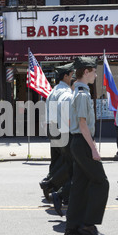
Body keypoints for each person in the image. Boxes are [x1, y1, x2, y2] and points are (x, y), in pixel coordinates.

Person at [64, 57, 109, 235]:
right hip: (82, 142)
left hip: (78, 141)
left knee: (80, 185)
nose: (96, 75)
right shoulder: (82, 94)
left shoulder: (78, 92)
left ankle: (74, 226)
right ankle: (88, 224)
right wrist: (94, 149)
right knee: (101, 182)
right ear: (87, 72)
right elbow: (82, 124)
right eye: (94, 71)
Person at [40, 63, 74, 201]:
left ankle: (51, 184)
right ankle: (53, 185)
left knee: (57, 160)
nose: (72, 78)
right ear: (65, 76)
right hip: (62, 128)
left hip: (52, 127)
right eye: (71, 75)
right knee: (69, 160)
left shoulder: (53, 91)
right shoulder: (65, 92)